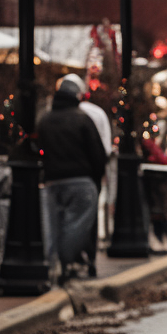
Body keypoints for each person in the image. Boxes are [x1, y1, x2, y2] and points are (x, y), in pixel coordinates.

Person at [35, 77, 107, 279]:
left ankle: (54, 264)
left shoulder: (45, 120)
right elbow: (98, 153)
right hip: (80, 180)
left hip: (52, 181)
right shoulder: (82, 119)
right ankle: (65, 259)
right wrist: (94, 177)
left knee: (53, 224)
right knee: (77, 223)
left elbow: (39, 149)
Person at [61, 74, 116, 242]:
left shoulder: (60, 114)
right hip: (88, 173)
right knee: (88, 215)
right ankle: (86, 253)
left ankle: (71, 254)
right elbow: (104, 149)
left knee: (67, 215)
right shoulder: (94, 113)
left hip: (66, 173)